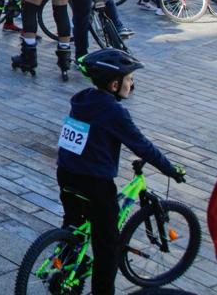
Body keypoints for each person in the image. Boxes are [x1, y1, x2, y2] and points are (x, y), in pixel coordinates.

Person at [57, 49, 185, 295]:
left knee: (74, 223)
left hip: (66, 173)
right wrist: (170, 169)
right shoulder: (114, 111)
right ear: (115, 84)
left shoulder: (82, 99)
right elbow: (142, 145)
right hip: (95, 183)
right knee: (107, 245)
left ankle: (63, 269)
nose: (132, 83)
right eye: (129, 79)